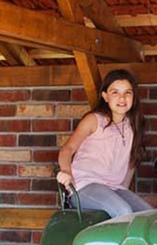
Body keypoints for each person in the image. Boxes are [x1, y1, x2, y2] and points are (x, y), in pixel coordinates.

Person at [56, 69, 152, 218]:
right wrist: (66, 171)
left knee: (148, 215)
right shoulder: (94, 120)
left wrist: (125, 191)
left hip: (114, 188)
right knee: (123, 211)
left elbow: (131, 163)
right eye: (115, 93)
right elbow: (67, 149)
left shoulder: (133, 125)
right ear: (105, 96)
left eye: (128, 92)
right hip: (85, 186)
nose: (122, 98)